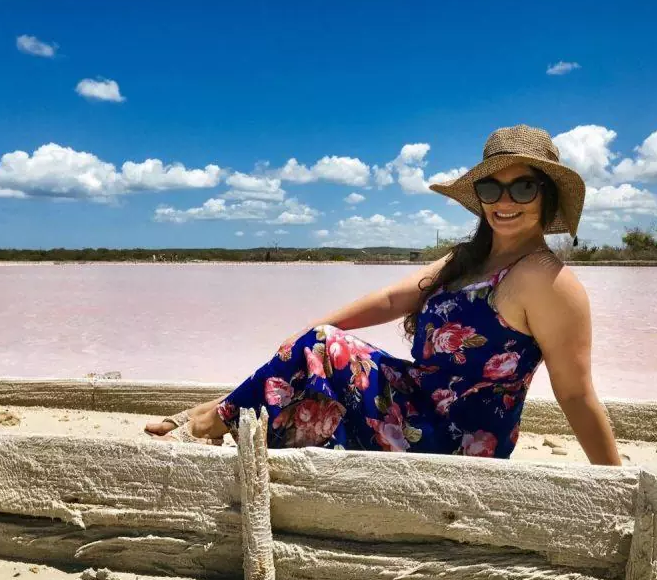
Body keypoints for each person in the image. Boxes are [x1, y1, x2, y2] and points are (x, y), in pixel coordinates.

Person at [146, 125, 621, 465]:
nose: (504, 201)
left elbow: (576, 393)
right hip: (414, 403)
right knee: (318, 346)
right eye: (491, 187)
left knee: (319, 350)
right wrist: (306, 340)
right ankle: (224, 414)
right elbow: (392, 299)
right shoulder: (469, 260)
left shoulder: (549, 281)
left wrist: (618, 482)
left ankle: (212, 420)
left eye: (523, 187)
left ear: (548, 196)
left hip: (453, 440)